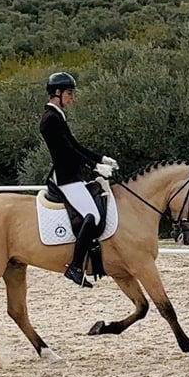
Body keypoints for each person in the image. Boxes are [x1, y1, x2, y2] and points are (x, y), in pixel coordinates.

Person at [39, 71, 119, 288]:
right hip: (66, 178)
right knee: (91, 215)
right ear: (57, 92)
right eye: (69, 93)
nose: (72, 97)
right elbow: (66, 152)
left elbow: (75, 145)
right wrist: (94, 167)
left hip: (72, 175)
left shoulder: (58, 116)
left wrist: (100, 158)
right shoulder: (50, 120)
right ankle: (75, 267)